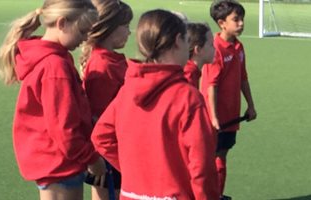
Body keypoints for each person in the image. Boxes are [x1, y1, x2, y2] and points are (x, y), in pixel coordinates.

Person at [90, 9, 219, 200]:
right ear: (178, 40)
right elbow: (201, 166)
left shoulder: (128, 90)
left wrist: (135, 171)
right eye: (186, 40)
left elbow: (101, 136)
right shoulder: (187, 97)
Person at [0, 0, 106, 199]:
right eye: (82, 31)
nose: (85, 39)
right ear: (62, 23)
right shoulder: (54, 67)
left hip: (57, 161)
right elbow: (64, 127)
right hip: (59, 164)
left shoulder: (55, 57)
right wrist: (91, 159)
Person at [202, 0, 258, 199]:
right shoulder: (216, 48)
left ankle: (217, 194)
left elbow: (243, 77)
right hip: (215, 118)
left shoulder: (239, 47)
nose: (241, 23)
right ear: (221, 23)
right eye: (236, 19)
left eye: (242, 19)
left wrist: (250, 105)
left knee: (222, 155)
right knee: (210, 160)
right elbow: (211, 86)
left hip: (231, 115)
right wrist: (214, 117)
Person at [79, 0, 133, 199]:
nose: (129, 32)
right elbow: (97, 119)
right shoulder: (102, 66)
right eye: (125, 26)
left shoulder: (113, 59)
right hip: (109, 154)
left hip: (119, 148)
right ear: (109, 28)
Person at [185, 23, 214, 88]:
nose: (215, 48)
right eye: (211, 45)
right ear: (198, 50)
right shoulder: (189, 77)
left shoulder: (194, 72)